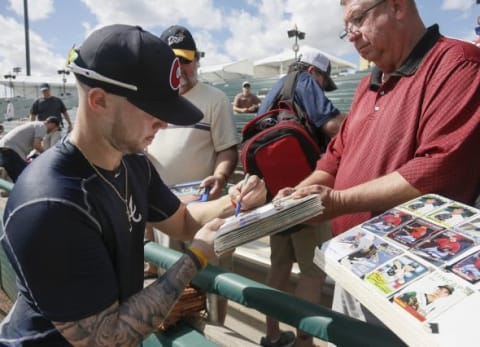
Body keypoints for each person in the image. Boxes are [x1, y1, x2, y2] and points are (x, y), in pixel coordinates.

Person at [0, 24, 266, 346]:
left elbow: (182, 221)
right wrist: (195, 258)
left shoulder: (133, 162)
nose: (164, 122)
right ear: (99, 100)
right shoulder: (52, 202)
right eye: (153, 110)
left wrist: (235, 199)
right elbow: (107, 338)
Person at [277, 0, 480, 326]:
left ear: (398, 6)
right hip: (352, 260)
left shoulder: (457, 64)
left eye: (357, 19)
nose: (352, 35)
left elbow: (436, 170)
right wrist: (295, 196)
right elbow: (335, 156)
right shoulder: (366, 84)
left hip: (412, 276)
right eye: (347, 28)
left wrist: (340, 202)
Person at [145, 25, 239, 324]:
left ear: (197, 60)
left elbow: (227, 150)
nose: (180, 67)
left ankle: (215, 329)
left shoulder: (214, 98)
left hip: (204, 208)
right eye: (172, 60)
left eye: (185, 59)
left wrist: (221, 177)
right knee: (171, 282)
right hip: (164, 207)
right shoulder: (151, 99)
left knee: (212, 280)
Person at [259, 49, 345, 347]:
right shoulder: (307, 83)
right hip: (306, 192)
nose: (323, 86)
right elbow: (332, 126)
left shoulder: (275, 88)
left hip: (276, 194)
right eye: (324, 80)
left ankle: (271, 334)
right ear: (315, 72)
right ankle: (304, 342)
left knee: (280, 265)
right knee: (312, 272)